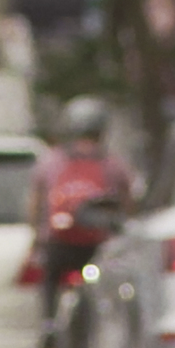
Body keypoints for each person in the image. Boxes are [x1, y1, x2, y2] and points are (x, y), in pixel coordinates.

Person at [27, 95, 136, 333]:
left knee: (50, 277)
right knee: (115, 283)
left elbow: (36, 205)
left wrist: (37, 238)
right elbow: (128, 205)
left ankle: (48, 322)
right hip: (97, 245)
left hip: (60, 243)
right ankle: (111, 325)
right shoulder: (113, 164)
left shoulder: (51, 161)